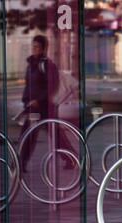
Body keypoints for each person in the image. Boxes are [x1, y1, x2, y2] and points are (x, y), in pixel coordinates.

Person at [19, 35, 75, 172]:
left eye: (38, 47)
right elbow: (28, 86)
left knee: (54, 136)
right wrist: (25, 100)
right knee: (27, 135)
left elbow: (52, 86)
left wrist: (39, 100)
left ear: (44, 48)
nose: (35, 49)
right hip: (32, 108)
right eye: (33, 46)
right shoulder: (31, 65)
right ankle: (20, 163)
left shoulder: (47, 65)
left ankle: (71, 158)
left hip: (44, 107)